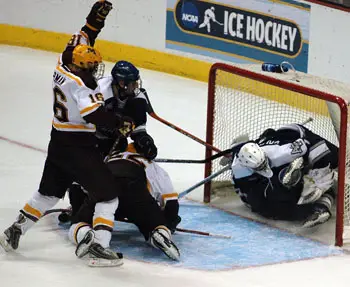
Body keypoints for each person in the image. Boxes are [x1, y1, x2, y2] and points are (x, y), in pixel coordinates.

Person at [0, 1, 132, 266]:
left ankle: (14, 230)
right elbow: (93, 114)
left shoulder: (63, 61)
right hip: (78, 147)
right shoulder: (82, 86)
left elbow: (85, 34)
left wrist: (96, 19)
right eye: (92, 67)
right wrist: (119, 122)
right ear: (82, 68)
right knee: (108, 195)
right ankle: (98, 248)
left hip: (57, 141)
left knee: (48, 193)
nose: (95, 71)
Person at [68, 143, 181, 266]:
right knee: (154, 224)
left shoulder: (107, 158)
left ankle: (85, 233)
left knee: (79, 223)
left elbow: (76, 185)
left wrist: (78, 213)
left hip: (106, 186)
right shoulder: (152, 166)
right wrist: (169, 223)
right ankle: (159, 234)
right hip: (134, 191)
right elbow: (171, 200)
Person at [229, 123, 338, 228]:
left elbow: (305, 146)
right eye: (260, 166)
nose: (264, 166)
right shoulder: (239, 171)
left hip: (294, 136)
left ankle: (311, 195)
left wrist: (307, 164)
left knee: (332, 160)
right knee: (275, 205)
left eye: (264, 162)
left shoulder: (278, 152)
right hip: (254, 197)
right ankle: (298, 186)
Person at [96, 60, 157, 161]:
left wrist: (145, 141)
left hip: (116, 140)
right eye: (133, 83)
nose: (136, 86)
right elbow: (87, 118)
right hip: (90, 138)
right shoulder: (101, 92)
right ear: (121, 83)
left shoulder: (138, 99)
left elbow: (138, 129)